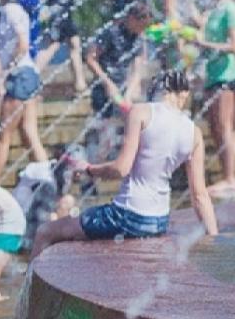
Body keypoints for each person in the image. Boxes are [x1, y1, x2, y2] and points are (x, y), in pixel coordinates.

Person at [29, 70, 218, 255]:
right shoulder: (194, 133)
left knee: (45, 232)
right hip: (159, 220)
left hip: (127, 215)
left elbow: (121, 169)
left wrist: (88, 168)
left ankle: (31, 286)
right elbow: (200, 195)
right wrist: (214, 238)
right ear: (182, 93)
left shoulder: (141, 112)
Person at [0, 0, 48, 182]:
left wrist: (4, 75)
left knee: (3, 136)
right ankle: (48, 182)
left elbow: (22, 44)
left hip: (20, 75)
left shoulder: (11, 10)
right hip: (27, 74)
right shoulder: (8, 11)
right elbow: (0, 48)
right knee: (28, 133)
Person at [85, 0, 152, 160]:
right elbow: (90, 58)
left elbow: (137, 69)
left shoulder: (138, 39)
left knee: (136, 130)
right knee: (105, 135)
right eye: (141, 25)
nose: (143, 30)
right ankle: (93, 170)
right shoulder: (111, 32)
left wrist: (129, 93)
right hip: (104, 91)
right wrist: (107, 83)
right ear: (131, 18)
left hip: (123, 91)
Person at [199, 0, 235, 196]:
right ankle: (226, 175)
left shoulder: (231, 9)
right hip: (212, 74)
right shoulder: (214, 11)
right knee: (215, 127)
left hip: (227, 74)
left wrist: (204, 43)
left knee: (225, 126)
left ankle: (230, 178)